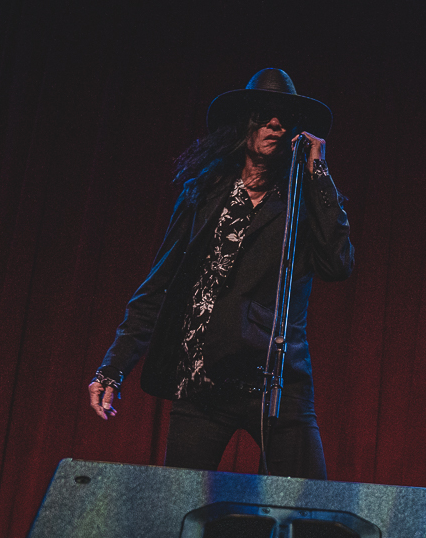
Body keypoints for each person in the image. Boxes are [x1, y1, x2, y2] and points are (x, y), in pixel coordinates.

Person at [88, 68, 353, 479]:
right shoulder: (205, 193)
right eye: (265, 113)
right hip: (203, 382)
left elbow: (338, 265)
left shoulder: (301, 199)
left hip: (277, 385)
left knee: (309, 515)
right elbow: (159, 286)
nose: (276, 123)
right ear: (243, 122)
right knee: (179, 512)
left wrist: (319, 174)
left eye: (286, 117)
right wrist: (114, 366)